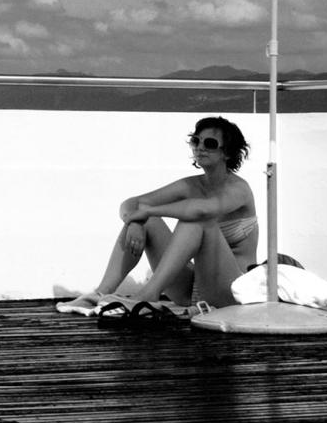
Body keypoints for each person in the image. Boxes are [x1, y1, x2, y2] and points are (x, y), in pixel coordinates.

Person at [61, 116, 257, 314]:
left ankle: (148, 296)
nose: (200, 147)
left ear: (227, 153)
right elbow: (131, 203)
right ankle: (100, 293)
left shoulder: (238, 189)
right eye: (195, 140)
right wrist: (137, 221)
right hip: (191, 290)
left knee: (196, 221)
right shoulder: (191, 185)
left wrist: (147, 210)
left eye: (210, 143)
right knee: (149, 221)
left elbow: (202, 210)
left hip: (232, 292)